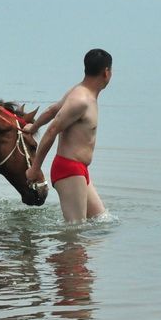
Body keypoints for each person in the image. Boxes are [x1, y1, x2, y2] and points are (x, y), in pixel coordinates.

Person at [25, 49, 111, 222]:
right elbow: (52, 130)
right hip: (69, 169)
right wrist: (35, 168)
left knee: (102, 219)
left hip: (80, 170)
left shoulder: (79, 92)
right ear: (106, 72)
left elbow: (52, 110)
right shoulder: (81, 101)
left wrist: (33, 127)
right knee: (75, 231)